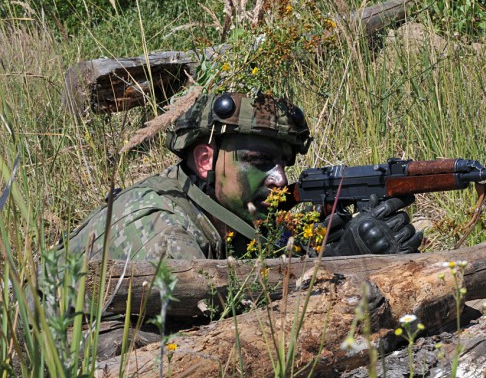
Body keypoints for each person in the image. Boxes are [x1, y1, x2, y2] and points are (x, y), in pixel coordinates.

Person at [52, 91, 423, 263]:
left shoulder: (232, 217)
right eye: (259, 161)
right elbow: (222, 343)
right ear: (204, 161)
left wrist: (326, 254)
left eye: (282, 164)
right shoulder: (160, 229)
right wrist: (339, 273)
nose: (278, 178)